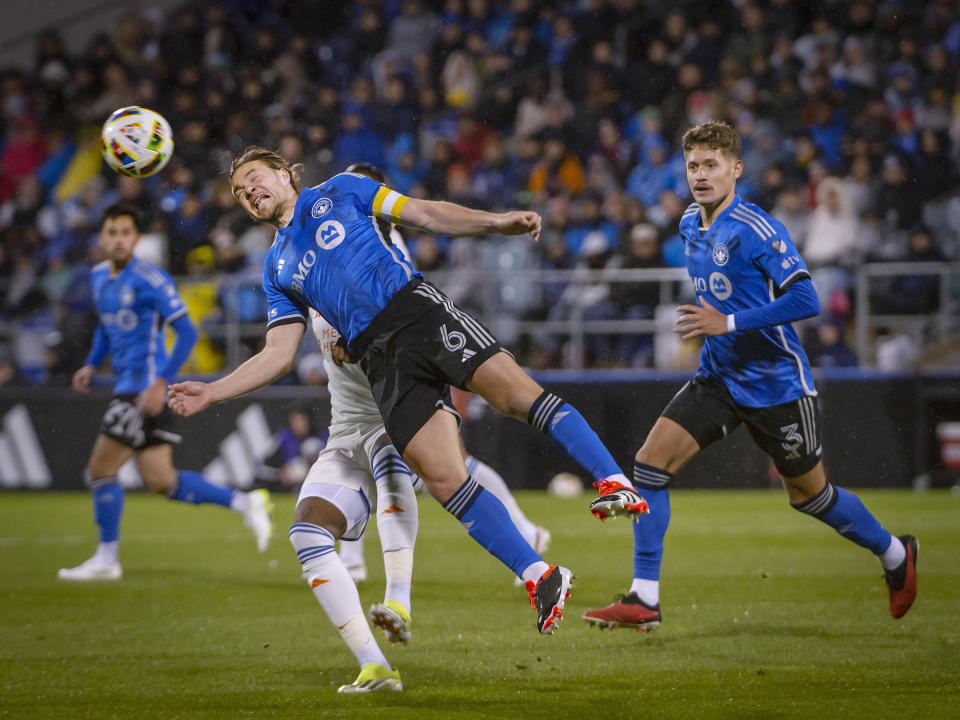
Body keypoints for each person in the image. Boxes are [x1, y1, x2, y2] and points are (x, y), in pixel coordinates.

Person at [169, 146, 644, 638]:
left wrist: (497, 223)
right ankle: (540, 575)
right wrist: (212, 391)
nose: (250, 192)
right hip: (377, 359)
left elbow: (424, 213)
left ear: (285, 173)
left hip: (415, 313)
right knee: (443, 477)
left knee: (515, 398)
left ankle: (613, 479)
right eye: (241, 191)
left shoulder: (341, 190)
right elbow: (277, 354)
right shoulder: (276, 268)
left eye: (255, 177)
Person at [585, 121, 918, 631]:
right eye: (693, 165)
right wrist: (710, 327)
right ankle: (643, 598)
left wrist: (730, 322)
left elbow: (805, 298)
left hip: (775, 383)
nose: (700, 175)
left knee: (811, 496)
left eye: (711, 165)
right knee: (650, 464)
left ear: (735, 170)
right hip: (718, 375)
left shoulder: (755, 227)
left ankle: (896, 554)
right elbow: (719, 294)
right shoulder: (688, 226)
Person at [331, 164, 551, 589]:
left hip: (405, 358)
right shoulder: (356, 237)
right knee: (419, 459)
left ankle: (357, 559)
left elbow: (382, 300)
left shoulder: (382, 238)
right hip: (377, 362)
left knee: (415, 459)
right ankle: (525, 531)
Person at [58, 204, 273, 582]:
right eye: (112, 232)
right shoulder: (97, 277)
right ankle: (245, 501)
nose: (119, 239)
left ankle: (107, 559)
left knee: (100, 469)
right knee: (161, 481)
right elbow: (106, 329)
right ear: (102, 238)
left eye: (126, 232)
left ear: (137, 239)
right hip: (132, 389)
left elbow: (187, 332)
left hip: (142, 391)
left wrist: (162, 382)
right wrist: (91, 364)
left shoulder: (150, 279)